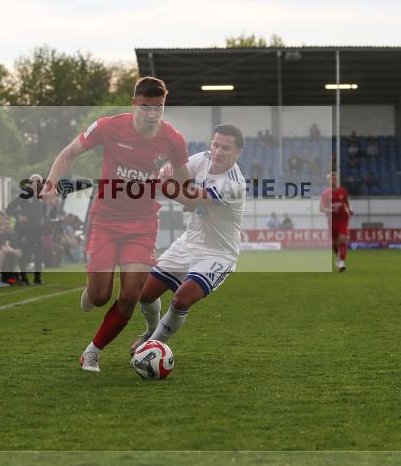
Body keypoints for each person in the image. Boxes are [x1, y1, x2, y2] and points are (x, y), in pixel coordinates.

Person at [39, 76, 190, 373]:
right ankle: (92, 292)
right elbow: (69, 152)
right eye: (146, 107)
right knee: (100, 296)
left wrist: (183, 191)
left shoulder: (173, 139)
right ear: (134, 103)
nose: (152, 114)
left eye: (158, 108)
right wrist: (50, 184)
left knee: (131, 294)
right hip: (106, 221)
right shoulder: (109, 126)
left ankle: (93, 351)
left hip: (143, 224)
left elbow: (186, 182)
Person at [131, 124, 246, 351]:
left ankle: (154, 345)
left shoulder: (234, 184)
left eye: (226, 148)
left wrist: (161, 183)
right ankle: (150, 333)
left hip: (218, 254)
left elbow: (191, 200)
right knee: (144, 294)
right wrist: (165, 169)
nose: (218, 152)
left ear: (238, 152)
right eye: (215, 145)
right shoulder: (202, 158)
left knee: (181, 299)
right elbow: (177, 169)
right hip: (188, 243)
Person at [8, 174, 48, 285]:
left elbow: (44, 212)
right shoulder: (24, 195)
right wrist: (18, 216)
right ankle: (23, 277)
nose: (37, 183)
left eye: (39, 181)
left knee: (39, 254)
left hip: (37, 230)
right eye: (34, 181)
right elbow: (10, 208)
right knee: (25, 253)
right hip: (25, 230)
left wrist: (43, 220)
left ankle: (37, 278)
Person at [320, 172, 353, 272]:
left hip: (343, 219)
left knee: (342, 239)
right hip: (332, 220)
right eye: (330, 178)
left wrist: (349, 209)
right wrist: (331, 210)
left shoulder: (343, 191)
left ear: (336, 180)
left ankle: (342, 262)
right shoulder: (326, 194)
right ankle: (339, 257)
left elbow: (346, 201)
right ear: (328, 181)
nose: (332, 180)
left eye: (334, 178)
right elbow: (321, 208)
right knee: (334, 243)